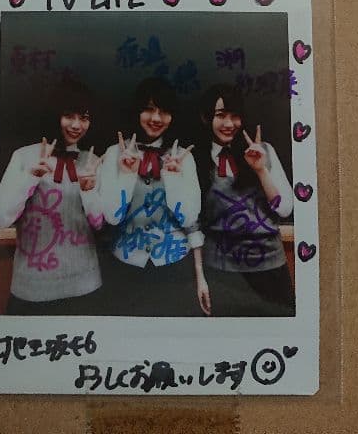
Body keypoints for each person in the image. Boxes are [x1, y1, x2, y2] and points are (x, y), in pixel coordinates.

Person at [97, 76, 203, 316]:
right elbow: (112, 217)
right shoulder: (114, 152)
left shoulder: (183, 157)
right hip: (125, 266)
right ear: (137, 111)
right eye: (149, 109)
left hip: (175, 265)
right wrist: (126, 175)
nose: (156, 118)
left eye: (164, 111)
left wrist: (173, 179)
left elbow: (188, 219)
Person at [0, 79, 104, 314]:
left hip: (84, 285)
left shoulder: (92, 162)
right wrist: (31, 177)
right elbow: (1, 219)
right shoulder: (25, 156)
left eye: (84, 117)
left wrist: (88, 191)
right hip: (32, 287)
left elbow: (98, 224)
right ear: (54, 114)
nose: (76, 125)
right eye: (69, 115)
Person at [192, 83, 295, 317]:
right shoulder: (196, 159)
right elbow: (192, 221)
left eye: (235, 116)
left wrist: (261, 170)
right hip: (221, 271)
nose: (229, 124)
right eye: (221, 115)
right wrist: (200, 276)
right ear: (206, 117)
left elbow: (285, 209)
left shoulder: (264, 150)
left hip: (270, 266)